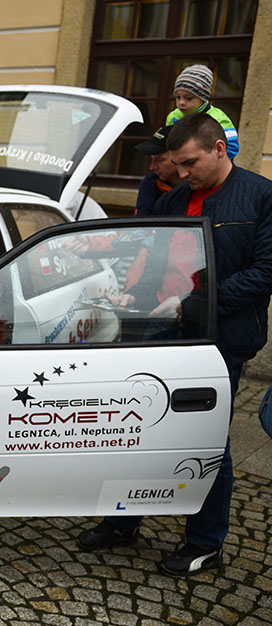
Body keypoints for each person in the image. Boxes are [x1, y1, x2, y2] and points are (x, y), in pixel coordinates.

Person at [78, 113, 272, 577]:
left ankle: (205, 542)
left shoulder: (260, 196)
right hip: (162, 331)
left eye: (189, 163)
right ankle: (122, 521)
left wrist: (192, 303)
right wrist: (136, 295)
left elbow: (265, 273)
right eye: (177, 164)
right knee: (137, 429)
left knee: (206, 441)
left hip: (220, 341)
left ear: (218, 149)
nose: (181, 173)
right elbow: (154, 261)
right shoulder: (176, 198)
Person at [165, 64, 238, 159]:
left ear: (203, 98)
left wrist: (210, 161)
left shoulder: (218, 118)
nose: (181, 102)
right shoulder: (173, 116)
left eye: (189, 98)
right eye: (178, 97)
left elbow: (232, 147)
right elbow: (166, 144)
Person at [134, 125, 181, 216]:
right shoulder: (150, 184)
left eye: (160, 160)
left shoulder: (200, 186)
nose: (152, 167)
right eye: (152, 159)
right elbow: (141, 220)